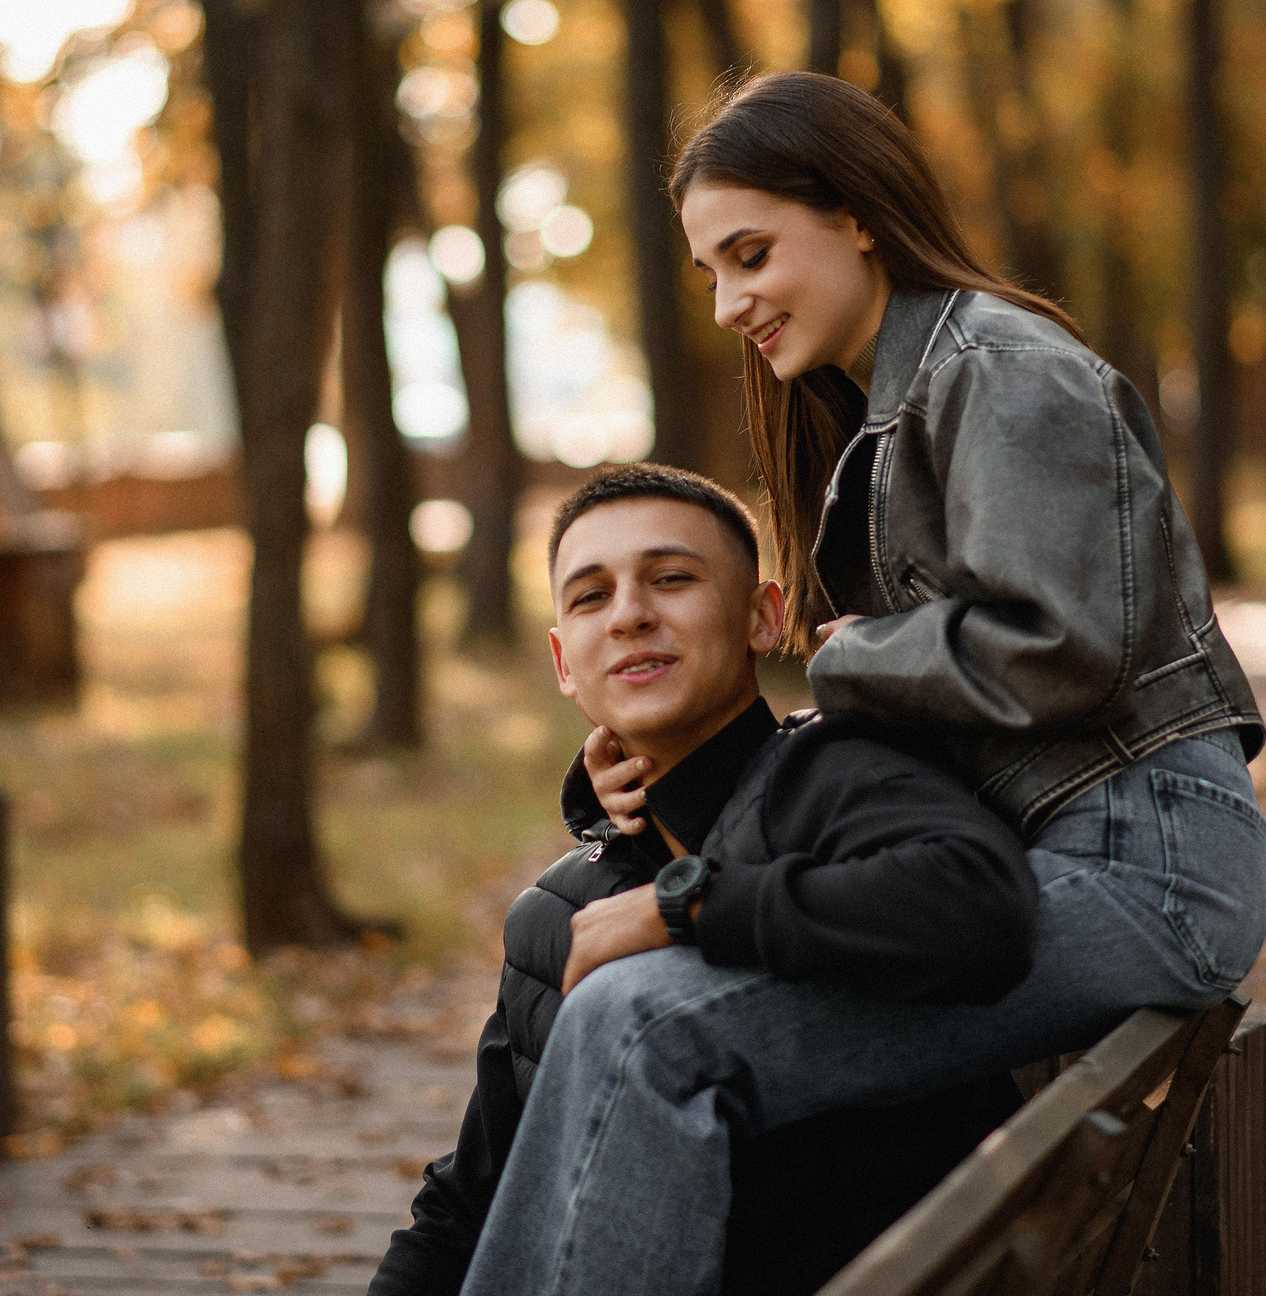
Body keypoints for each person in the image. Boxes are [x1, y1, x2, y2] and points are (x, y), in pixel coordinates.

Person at [461, 71, 1266, 1296]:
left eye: (751, 254)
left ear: (855, 215)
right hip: (1084, 850)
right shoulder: (900, 402)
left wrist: (838, 658)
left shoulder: (997, 370)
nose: (732, 303)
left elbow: (1063, 647)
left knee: (644, 1028)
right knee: (626, 1017)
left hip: (1142, 870)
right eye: (712, 273)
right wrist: (653, 769)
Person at [372, 464, 1040, 1296]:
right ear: (562, 663)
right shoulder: (560, 909)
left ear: (765, 617)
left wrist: (684, 906)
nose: (630, 615)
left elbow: (979, 899)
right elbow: (470, 1199)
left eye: (672, 578)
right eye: (589, 597)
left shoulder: (830, 777)